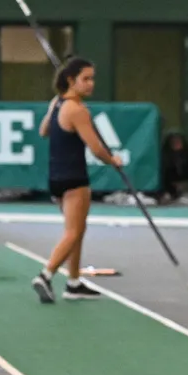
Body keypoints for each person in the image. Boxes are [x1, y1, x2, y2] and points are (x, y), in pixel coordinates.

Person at [31, 58, 122, 303]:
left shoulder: (58, 103)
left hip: (56, 176)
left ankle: (73, 283)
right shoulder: (78, 110)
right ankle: (46, 274)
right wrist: (113, 160)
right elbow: (96, 148)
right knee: (74, 232)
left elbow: (43, 131)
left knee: (77, 230)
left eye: (92, 78)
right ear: (71, 80)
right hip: (74, 177)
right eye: (86, 79)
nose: (91, 84)